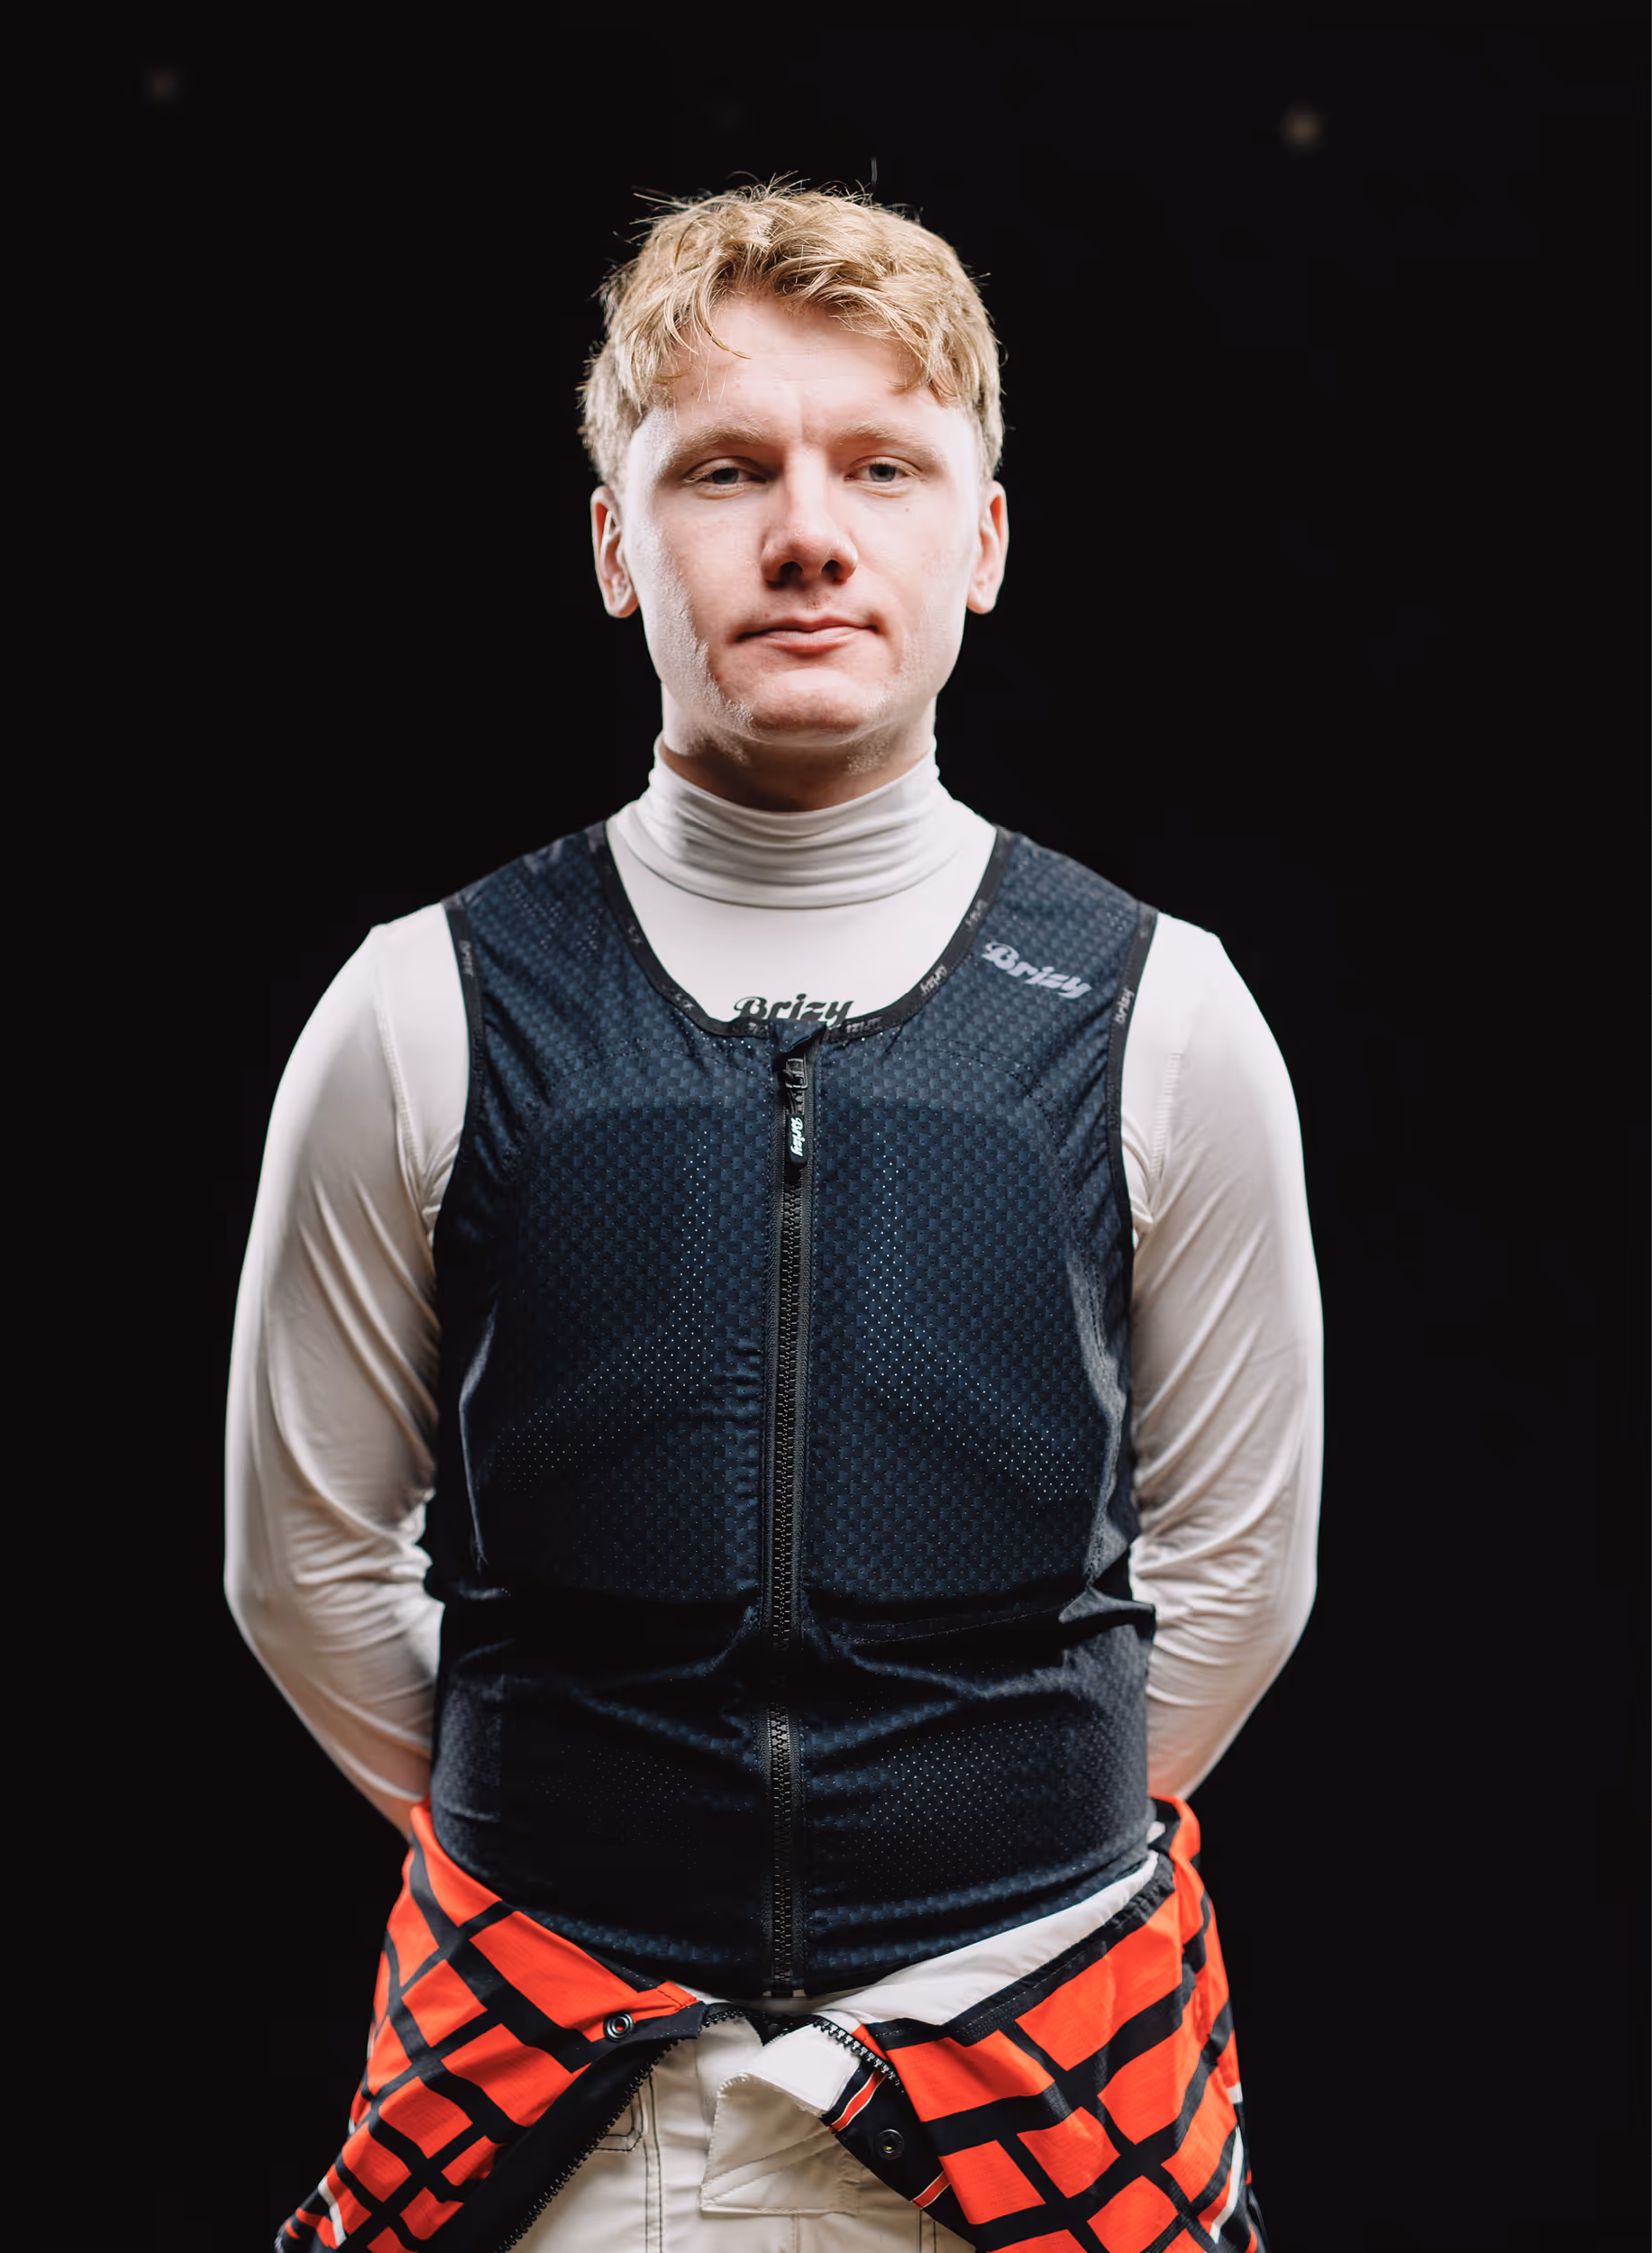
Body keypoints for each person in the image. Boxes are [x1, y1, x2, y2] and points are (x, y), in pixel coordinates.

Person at [227, 184, 1321, 2253]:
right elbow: (301, 1565)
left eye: (882, 467)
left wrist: (966, 1855)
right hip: (558, 2089)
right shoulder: (416, 1004)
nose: (808, 532)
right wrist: (603, 1836)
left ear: (979, 543)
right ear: (614, 541)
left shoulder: (1160, 1008)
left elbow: (1242, 1570)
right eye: (726, 469)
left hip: (1057, 2067)